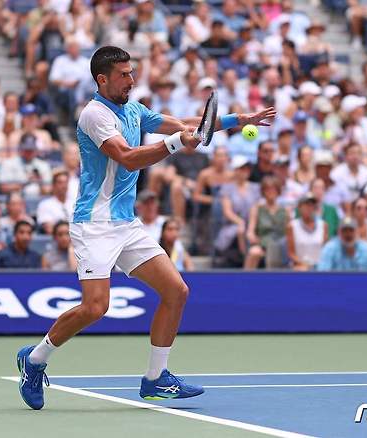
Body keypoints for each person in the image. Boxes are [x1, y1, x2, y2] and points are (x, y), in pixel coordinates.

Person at [15, 46, 275, 410]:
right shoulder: (94, 115)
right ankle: (35, 359)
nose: (131, 80)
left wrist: (236, 119)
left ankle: (155, 379)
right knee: (95, 308)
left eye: (132, 72)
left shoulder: (134, 110)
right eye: (124, 74)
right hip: (95, 224)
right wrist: (173, 144)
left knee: (176, 290)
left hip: (126, 224)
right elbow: (127, 157)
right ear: (102, 79)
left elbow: (184, 123)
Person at [245, 176, 288, 269]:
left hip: (281, 245)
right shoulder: (257, 208)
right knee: (254, 252)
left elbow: (289, 230)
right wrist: (254, 238)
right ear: (263, 191)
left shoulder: (285, 210)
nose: (271, 192)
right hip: (263, 244)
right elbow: (250, 231)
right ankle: (245, 280)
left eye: (273, 190)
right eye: (267, 190)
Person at [286, 193, 328, 270]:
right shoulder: (292, 226)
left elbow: (325, 250)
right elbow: (291, 253)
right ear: (299, 207)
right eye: (306, 205)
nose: (309, 208)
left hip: (319, 266)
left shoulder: (323, 225)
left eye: (312, 205)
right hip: (300, 266)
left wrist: (318, 265)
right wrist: (304, 264)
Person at [36, 170, 73, 234]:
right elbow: (49, 229)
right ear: (53, 185)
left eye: (65, 182)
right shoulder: (45, 205)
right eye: (60, 182)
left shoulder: (75, 203)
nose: (64, 186)